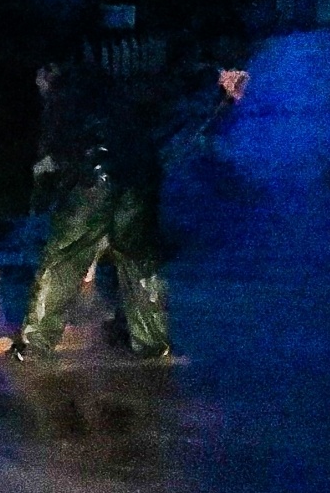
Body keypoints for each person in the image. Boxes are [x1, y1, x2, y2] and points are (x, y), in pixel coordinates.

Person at [12, 59, 248, 361]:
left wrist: (46, 183)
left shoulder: (62, 101)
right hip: (138, 178)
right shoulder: (119, 91)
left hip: (91, 180)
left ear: (48, 78)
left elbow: (52, 154)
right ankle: (152, 342)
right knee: (139, 260)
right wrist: (216, 81)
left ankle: (34, 345)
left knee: (63, 258)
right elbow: (168, 88)